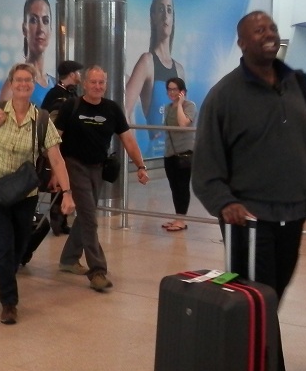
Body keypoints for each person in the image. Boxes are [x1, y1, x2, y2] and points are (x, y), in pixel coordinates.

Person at [192, 11, 306, 371]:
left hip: (292, 216)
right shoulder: (223, 96)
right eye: (259, 30)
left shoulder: (298, 85)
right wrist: (226, 203)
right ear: (241, 42)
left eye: (272, 28)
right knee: (260, 310)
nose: (269, 34)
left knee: (267, 307)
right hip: (249, 224)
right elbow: (206, 167)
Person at [0, 64, 74, 325]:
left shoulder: (41, 119)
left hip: (25, 192)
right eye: (18, 80)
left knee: (20, 245)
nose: (23, 84)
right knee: (3, 243)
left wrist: (67, 193)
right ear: (11, 84)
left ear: (33, 85)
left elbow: (56, 159)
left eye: (28, 80)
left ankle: (4, 273)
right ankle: (9, 302)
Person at [55, 66, 149, 292]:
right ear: (84, 84)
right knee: (90, 217)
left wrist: (140, 166)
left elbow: (128, 140)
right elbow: (55, 141)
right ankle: (97, 270)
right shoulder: (71, 106)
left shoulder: (112, 109)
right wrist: (54, 173)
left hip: (97, 168)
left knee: (85, 216)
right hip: (73, 166)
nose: (97, 86)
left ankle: (68, 259)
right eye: (93, 82)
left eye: (101, 82)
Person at [126, 0, 184, 159]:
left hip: (177, 155)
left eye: (169, 10)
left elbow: (183, 117)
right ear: (153, 16)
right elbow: (124, 110)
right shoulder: (147, 62)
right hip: (153, 158)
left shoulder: (179, 70)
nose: (165, 16)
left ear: (173, 18)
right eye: (160, 9)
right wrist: (133, 153)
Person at [41, 59, 84, 235]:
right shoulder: (57, 95)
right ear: (72, 74)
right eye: (78, 72)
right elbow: (51, 123)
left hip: (70, 147)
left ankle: (62, 220)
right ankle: (57, 222)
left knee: (66, 184)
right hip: (59, 148)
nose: (80, 75)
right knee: (58, 184)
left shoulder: (70, 93)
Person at [0, 0, 56, 104]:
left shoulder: (54, 84)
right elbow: (1, 114)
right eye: (33, 20)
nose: (40, 29)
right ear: (24, 29)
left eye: (45, 21)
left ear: (50, 29)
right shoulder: (14, 84)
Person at [161, 77, 197, 232]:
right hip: (170, 153)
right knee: (174, 186)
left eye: (174, 89)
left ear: (182, 91)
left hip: (185, 153)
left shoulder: (190, 106)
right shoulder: (168, 107)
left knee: (182, 186)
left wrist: (180, 104)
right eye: (169, 89)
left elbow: (183, 124)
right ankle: (178, 217)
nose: (171, 92)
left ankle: (182, 220)